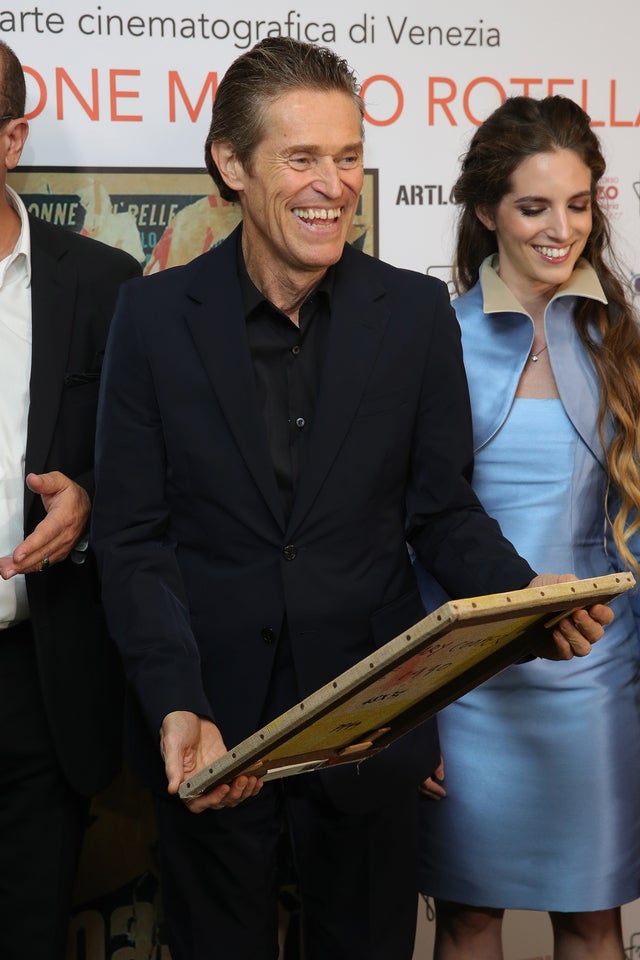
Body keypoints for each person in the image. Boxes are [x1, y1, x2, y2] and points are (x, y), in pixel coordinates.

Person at [91, 42, 610, 960]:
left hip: (373, 744)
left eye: (346, 156)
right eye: (301, 158)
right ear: (231, 165)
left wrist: (528, 599)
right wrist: (177, 702)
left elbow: (439, 511)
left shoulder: (411, 315)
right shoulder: (153, 319)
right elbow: (136, 541)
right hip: (214, 741)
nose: (333, 183)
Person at [418, 95, 640, 960]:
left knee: (593, 921)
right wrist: (410, 707)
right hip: (466, 682)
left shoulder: (620, 341)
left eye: (579, 205)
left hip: (597, 676)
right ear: (485, 211)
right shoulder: (432, 337)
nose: (562, 228)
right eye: (534, 205)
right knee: (470, 917)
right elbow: (410, 529)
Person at [0, 41, 141, 960]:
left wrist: (88, 499)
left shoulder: (102, 287)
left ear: (11, 138)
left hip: (32, 687)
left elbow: (150, 478)